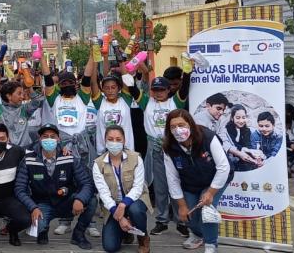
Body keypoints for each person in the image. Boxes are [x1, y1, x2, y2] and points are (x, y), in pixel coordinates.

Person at [14, 124, 96, 249]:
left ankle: (78, 234)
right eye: (45, 136)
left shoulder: (69, 157)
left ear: (58, 139)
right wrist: (33, 207)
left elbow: (86, 183)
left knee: (91, 201)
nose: (49, 139)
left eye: (52, 136)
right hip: (42, 204)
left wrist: (80, 199)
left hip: (66, 201)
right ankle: (43, 229)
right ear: (39, 139)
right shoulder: (29, 159)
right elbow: (19, 189)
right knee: (37, 228)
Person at [44, 56, 100, 237]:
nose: (67, 84)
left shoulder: (83, 98)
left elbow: (87, 75)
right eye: (63, 82)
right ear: (59, 85)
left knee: (86, 183)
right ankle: (65, 220)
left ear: (76, 84)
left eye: (71, 82)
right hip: (63, 148)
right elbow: (46, 78)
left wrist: (92, 54)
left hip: (82, 147)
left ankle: (89, 222)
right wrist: (39, 54)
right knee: (65, 183)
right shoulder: (55, 100)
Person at [163, 110, 233, 253]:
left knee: (207, 210)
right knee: (190, 215)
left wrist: (211, 192)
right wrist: (181, 205)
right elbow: (172, 179)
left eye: (181, 125)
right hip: (190, 183)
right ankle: (197, 235)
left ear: (190, 124)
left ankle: (211, 244)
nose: (178, 130)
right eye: (173, 127)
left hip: (215, 179)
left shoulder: (208, 137)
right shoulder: (169, 147)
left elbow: (223, 168)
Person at [131, 74, 188, 237]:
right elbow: (134, 91)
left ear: (169, 89)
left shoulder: (174, 102)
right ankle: (162, 220)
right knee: (160, 186)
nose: (158, 93)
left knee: (176, 184)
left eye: (161, 90)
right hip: (155, 148)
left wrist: (187, 72)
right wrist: (129, 77)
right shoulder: (147, 102)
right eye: (155, 90)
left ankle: (181, 221)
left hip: (174, 149)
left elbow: (184, 89)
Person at [92, 125, 151, 253]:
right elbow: (103, 193)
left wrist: (124, 204)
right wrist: (118, 214)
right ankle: (126, 232)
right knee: (110, 247)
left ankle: (143, 237)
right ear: (105, 140)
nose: (114, 142)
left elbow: (138, 187)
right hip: (113, 205)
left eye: (118, 139)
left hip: (135, 200)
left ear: (124, 141)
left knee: (135, 210)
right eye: (110, 139)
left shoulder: (136, 158)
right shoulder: (98, 164)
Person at [194, 94, 257, 169]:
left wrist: (240, 153)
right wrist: (239, 153)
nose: (221, 112)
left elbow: (223, 140)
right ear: (208, 106)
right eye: (218, 108)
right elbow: (204, 144)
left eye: (223, 110)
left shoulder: (221, 120)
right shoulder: (198, 120)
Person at [0, 78, 48, 148]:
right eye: (19, 94)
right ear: (9, 96)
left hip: (26, 150)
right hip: (7, 150)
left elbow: (36, 101)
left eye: (22, 94)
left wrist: (30, 87)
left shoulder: (24, 109)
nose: (22, 97)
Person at [224, 104, 257, 171]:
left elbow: (248, 145)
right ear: (232, 118)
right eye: (238, 118)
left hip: (243, 158)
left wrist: (253, 154)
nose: (241, 121)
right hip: (230, 158)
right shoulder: (227, 129)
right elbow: (233, 144)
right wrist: (243, 150)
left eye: (243, 117)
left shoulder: (247, 131)